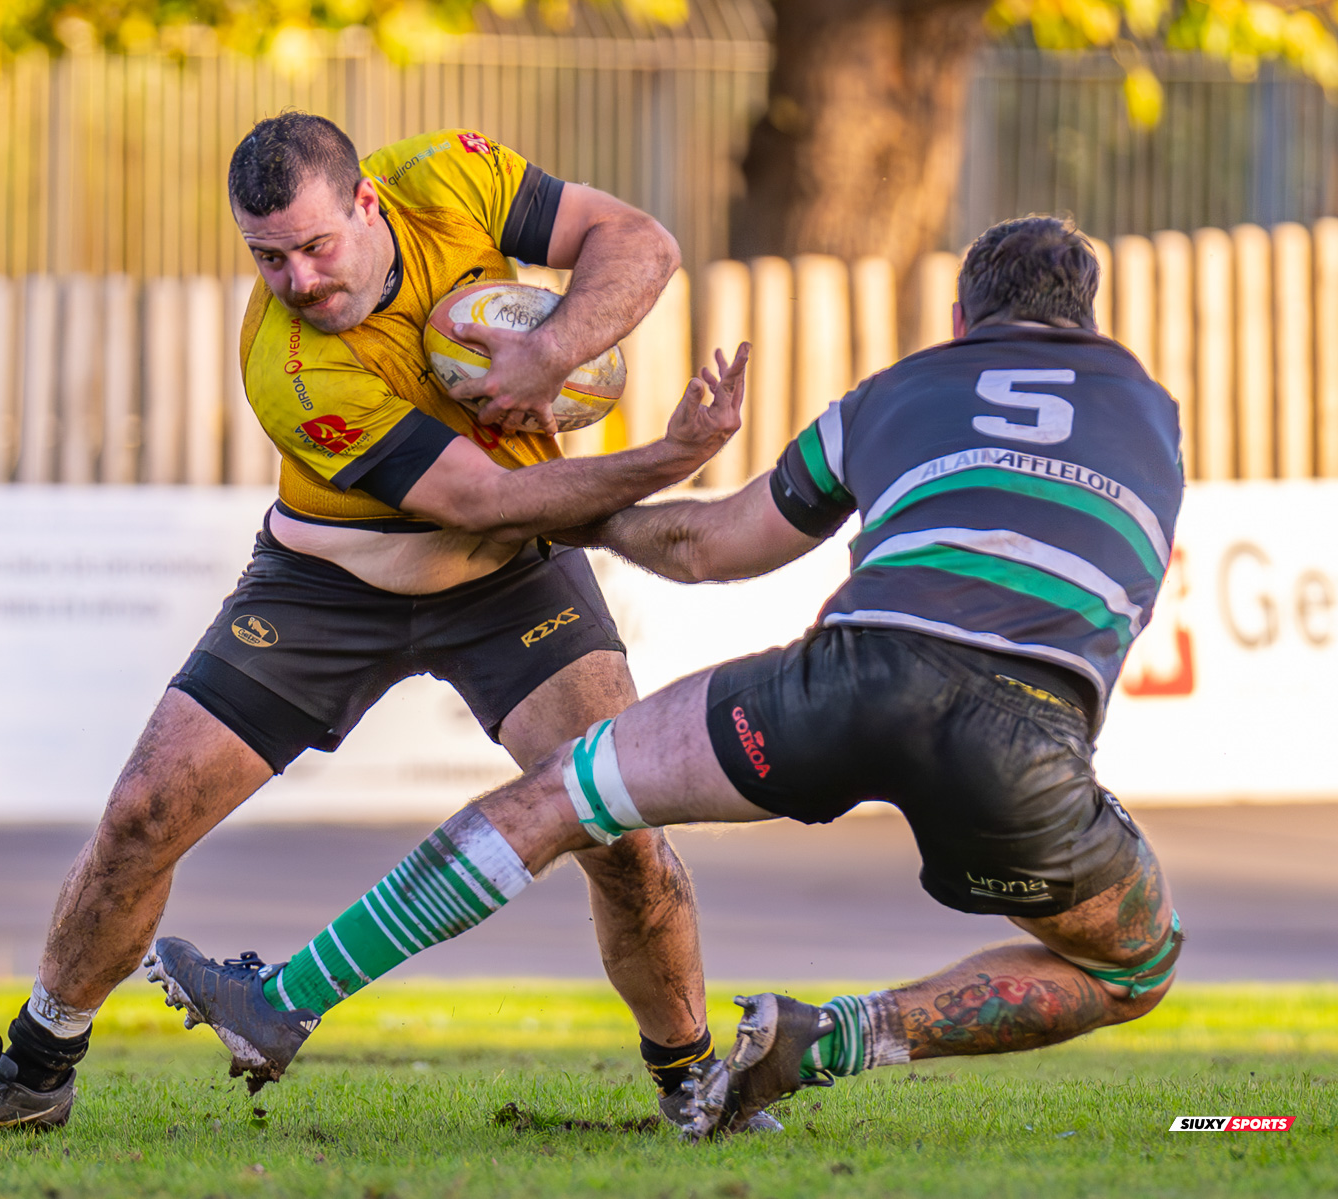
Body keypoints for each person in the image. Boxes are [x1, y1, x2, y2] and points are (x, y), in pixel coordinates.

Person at [148, 215, 1187, 1140]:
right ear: (1089, 322)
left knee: (558, 796)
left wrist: (559, 502)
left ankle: (287, 996)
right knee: (1132, 963)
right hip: (1022, 737)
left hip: (844, 678)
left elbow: (710, 546)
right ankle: (822, 1040)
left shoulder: (894, 394)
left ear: (960, 317)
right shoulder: (1153, 414)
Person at [0, 113, 751, 1136]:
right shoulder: (290, 366)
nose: (296, 279)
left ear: (367, 203)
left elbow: (641, 242)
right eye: (267, 257)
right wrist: (670, 455)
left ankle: (697, 1080)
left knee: (624, 838)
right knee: (141, 817)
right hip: (326, 587)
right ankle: (36, 1069)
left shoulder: (450, 180)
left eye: (314, 246)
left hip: (512, 582)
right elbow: (478, 500)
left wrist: (550, 350)